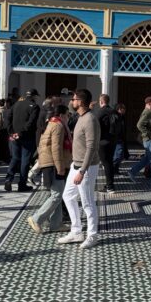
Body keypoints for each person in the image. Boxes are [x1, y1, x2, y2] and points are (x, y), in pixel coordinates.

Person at [59, 88, 101, 249]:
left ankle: (92, 235)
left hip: (87, 167)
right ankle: (76, 231)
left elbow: (91, 147)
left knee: (87, 202)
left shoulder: (90, 119)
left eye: (74, 99)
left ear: (81, 102)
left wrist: (82, 171)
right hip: (75, 165)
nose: (72, 101)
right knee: (68, 196)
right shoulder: (80, 117)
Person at [27, 104, 71, 234]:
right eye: (67, 115)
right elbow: (56, 148)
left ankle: (56, 224)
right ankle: (36, 219)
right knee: (57, 195)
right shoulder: (58, 126)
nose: (68, 118)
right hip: (53, 164)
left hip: (48, 162)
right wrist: (60, 167)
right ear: (62, 115)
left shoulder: (51, 123)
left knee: (56, 194)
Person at [4, 89, 40, 192]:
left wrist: (11, 132)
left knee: (15, 158)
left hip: (14, 136)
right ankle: (22, 184)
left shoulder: (16, 104)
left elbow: (8, 117)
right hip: (27, 137)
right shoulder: (34, 107)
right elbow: (31, 122)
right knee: (25, 161)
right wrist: (21, 133)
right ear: (34, 96)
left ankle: (8, 179)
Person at [129, 96, 151, 186]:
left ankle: (132, 171)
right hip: (149, 139)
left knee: (148, 159)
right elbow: (139, 125)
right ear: (148, 104)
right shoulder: (147, 113)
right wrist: (150, 135)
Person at [96, 94, 118, 193]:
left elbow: (95, 125)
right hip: (113, 140)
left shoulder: (100, 112)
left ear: (101, 101)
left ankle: (110, 186)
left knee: (106, 163)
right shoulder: (114, 111)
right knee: (109, 163)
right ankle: (110, 185)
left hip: (103, 141)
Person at [0, 98, 12, 163]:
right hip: (6, 130)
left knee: (0, 146)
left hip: (1, 130)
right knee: (5, 145)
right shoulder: (8, 110)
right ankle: (6, 159)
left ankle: (0, 159)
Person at [112, 103, 128, 175]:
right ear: (119, 109)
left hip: (121, 139)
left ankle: (115, 169)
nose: (124, 110)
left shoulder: (122, 117)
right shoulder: (115, 117)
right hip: (116, 139)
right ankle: (113, 168)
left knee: (120, 156)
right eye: (123, 109)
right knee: (118, 155)